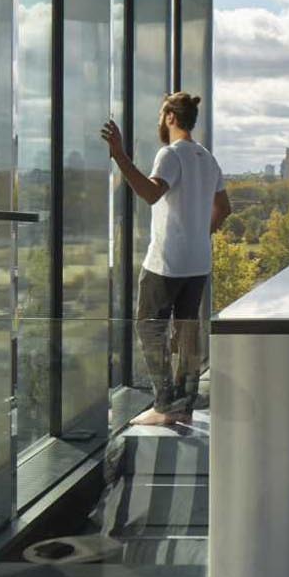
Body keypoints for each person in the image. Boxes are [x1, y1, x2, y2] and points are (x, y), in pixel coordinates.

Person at [103, 91, 229, 428]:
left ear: (171, 117)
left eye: (162, 115)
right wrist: (201, 234)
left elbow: (150, 193)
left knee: (150, 328)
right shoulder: (207, 157)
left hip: (167, 262)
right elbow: (224, 208)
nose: (161, 121)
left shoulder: (171, 155)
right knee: (187, 331)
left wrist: (119, 155)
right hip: (198, 262)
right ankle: (183, 405)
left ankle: (164, 404)